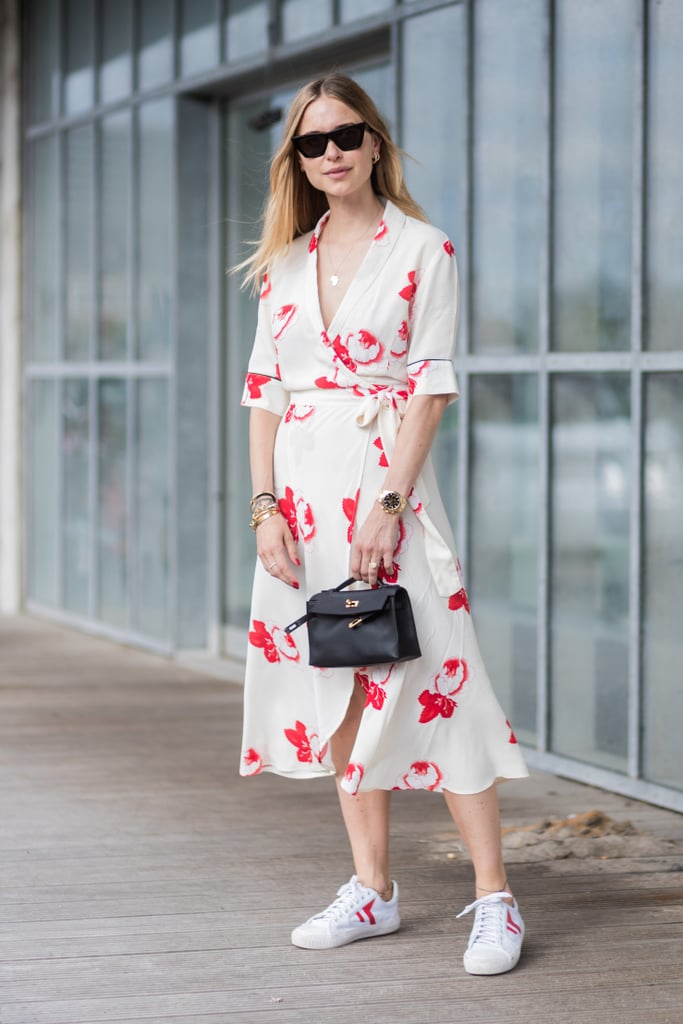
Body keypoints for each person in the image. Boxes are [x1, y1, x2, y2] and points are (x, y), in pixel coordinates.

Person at [238, 73, 528, 976]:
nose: (330, 154)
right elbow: (263, 394)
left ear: (374, 142)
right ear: (296, 159)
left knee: (439, 672)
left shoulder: (421, 248)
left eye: (344, 136)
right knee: (338, 680)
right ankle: (373, 888)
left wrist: (391, 505)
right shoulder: (283, 262)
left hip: (383, 485)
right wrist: (263, 508)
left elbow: (430, 387)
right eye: (310, 143)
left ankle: (494, 898)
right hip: (300, 497)